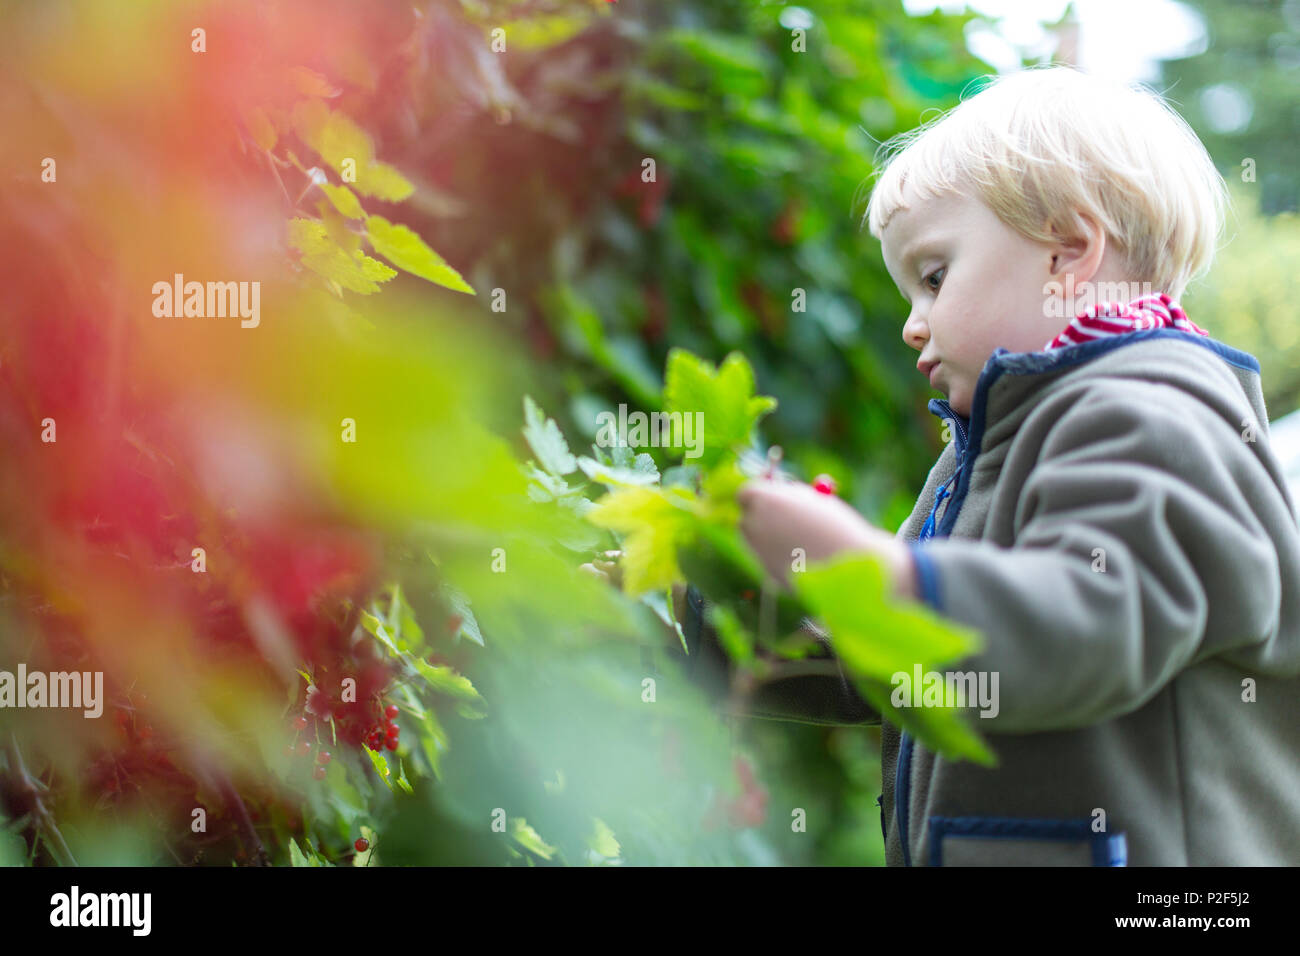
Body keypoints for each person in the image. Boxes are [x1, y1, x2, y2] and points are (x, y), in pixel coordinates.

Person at [725, 65, 1300, 865]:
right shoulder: (993, 442)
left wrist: (866, 568)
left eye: (933, 278)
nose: (912, 327)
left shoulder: (1157, 415)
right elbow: (927, 658)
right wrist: (719, 611)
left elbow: (1080, 625)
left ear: (1069, 252)